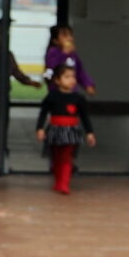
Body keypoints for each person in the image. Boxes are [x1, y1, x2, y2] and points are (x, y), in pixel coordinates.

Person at [36, 67, 95, 195]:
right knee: (56, 156)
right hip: (55, 130)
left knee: (67, 157)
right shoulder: (52, 96)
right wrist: (40, 128)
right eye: (67, 77)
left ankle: (64, 183)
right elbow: (43, 113)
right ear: (57, 80)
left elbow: (85, 117)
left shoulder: (78, 98)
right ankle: (58, 181)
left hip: (71, 130)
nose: (71, 80)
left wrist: (89, 133)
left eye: (73, 77)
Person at [43, 22, 95, 96]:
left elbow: (80, 71)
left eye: (70, 35)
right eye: (65, 36)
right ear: (56, 41)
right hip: (56, 92)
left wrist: (87, 84)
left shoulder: (73, 55)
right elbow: (51, 70)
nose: (70, 38)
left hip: (71, 92)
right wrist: (64, 54)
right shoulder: (53, 52)